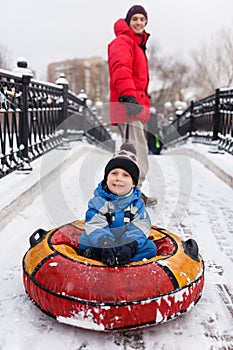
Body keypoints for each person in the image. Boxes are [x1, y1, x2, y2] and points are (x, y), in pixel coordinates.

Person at [108, 5, 157, 206]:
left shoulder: (137, 45)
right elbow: (120, 69)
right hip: (129, 106)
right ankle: (128, 196)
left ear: (146, 22)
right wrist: (129, 96)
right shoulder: (123, 41)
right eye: (135, 18)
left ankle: (131, 194)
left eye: (142, 19)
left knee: (133, 152)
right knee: (137, 154)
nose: (138, 22)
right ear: (129, 21)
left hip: (136, 107)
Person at [79, 143, 157, 266]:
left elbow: (141, 226)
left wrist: (130, 245)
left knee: (150, 248)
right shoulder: (99, 201)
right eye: (114, 173)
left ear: (133, 183)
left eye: (125, 175)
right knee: (84, 240)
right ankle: (102, 256)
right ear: (106, 178)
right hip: (104, 242)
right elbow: (95, 224)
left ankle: (123, 260)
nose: (118, 178)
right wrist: (105, 243)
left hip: (126, 242)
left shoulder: (137, 204)